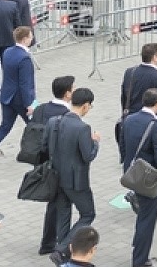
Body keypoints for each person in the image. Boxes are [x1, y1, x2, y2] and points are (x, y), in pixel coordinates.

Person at [46, 87, 100, 265]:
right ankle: (62, 249)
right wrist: (95, 142)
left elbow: (46, 147)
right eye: (89, 106)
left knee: (63, 214)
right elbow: (88, 156)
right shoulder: (83, 128)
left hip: (56, 176)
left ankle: (62, 248)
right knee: (87, 213)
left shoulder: (55, 121)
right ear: (85, 106)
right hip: (76, 181)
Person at [120, 88, 157, 267]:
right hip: (149, 177)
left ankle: (138, 247)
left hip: (133, 173)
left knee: (142, 214)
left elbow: (123, 145)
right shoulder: (156, 125)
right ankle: (140, 259)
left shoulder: (129, 119)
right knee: (147, 218)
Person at [34, 77, 75, 258]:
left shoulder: (41, 109)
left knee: (53, 203)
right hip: (60, 166)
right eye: (73, 89)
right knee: (60, 204)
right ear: (67, 94)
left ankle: (49, 242)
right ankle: (56, 244)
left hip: (43, 164)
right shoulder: (66, 116)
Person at [119, 44, 157, 148]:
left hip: (132, 120)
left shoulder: (130, 72)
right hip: (152, 123)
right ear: (155, 57)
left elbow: (124, 96)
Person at [0, 26, 35, 152]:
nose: (32, 39)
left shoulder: (7, 52)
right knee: (36, 125)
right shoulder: (25, 58)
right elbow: (26, 84)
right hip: (21, 99)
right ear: (25, 39)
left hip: (6, 96)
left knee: (4, 127)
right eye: (31, 37)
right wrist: (29, 104)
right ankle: (38, 151)